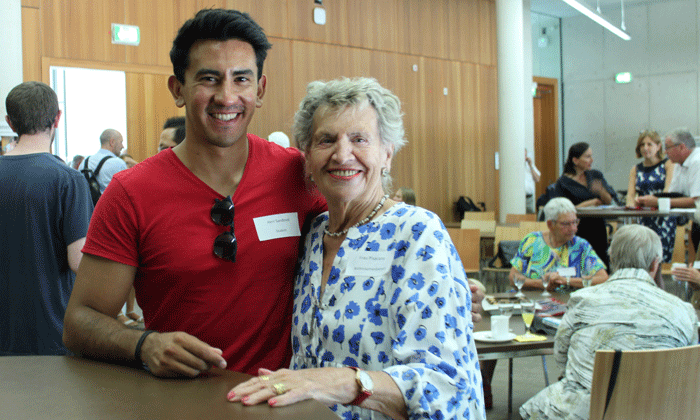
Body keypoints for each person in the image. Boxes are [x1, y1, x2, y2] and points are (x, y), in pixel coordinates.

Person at [63, 9, 327, 377]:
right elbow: (79, 322)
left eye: (241, 80)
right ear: (178, 89)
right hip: (178, 404)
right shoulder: (131, 193)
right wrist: (144, 343)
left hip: (277, 399)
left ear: (260, 90)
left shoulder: (297, 174)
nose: (227, 96)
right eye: (209, 79)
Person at [227, 77, 485, 420]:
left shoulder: (417, 233)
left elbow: (446, 385)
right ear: (307, 157)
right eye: (326, 140)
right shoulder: (313, 236)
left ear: (387, 153)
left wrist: (347, 383)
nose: (342, 154)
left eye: (359, 139)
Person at [520, 224, 698, 419]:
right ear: (655, 265)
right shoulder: (683, 311)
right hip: (663, 410)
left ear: (611, 258)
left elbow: (561, 356)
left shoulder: (583, 300)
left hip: (593, 410)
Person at [1, 81, 93, 355]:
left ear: (10, 121)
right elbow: (79, 260)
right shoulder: (68, 180)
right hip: (51, 328)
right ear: (57, 118)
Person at [508, 197, 608, 290]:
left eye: (575, 222)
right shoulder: (532, 241)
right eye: (566, 224)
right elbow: (513, 277)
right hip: (532, 300)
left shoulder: (581, 246)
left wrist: (566, 281)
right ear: (550, 224)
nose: (573, 229)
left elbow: (603, 278)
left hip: (568, 303)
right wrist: (542, 284)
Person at [553, 142, 619, 267]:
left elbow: (608, 200)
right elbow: (562, 210)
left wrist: (601, 190)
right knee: (579, 265)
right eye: (587, 157)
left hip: (597, 227)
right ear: (575, 160)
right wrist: (592, 202)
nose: (591, 160)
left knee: (600, 264)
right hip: (577, 229)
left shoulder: (594, 175)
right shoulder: (563, 183)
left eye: (591, 156)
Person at [637, 128, 700, 250]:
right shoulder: (678, 164)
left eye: (668, 147)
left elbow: (695, 202)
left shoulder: (697, 162)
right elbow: (673, 195)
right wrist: (650, 199)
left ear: (681, 147)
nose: (665, 152)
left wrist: (658, 202)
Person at [625, 130, 676, 262]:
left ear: (658, 146)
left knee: (659, 259)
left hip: (663, 217)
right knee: (643, 258)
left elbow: (668, 191)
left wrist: (655, 202)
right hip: (643, 217)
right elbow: (630, 195)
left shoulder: (668, 164)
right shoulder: (635, 169)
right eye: (642, 145)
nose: (645, 148)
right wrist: (632, 204)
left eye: (649, 144)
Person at [83, 128, 128, 193]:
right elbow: (126, 191)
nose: (122, 146)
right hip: (111, 203)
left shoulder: (84, 162)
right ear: (112, 142)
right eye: (121, 142)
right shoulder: (118, 163)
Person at [525, 148, 541, 214]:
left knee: (529, 218)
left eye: (525, 155)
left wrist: (531, 166)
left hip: (529, 198)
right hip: (518, 199)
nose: (524, 158)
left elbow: (537, 179)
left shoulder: (530, 166)